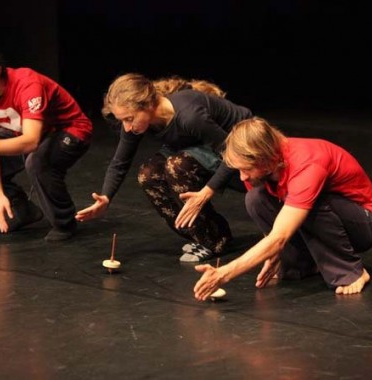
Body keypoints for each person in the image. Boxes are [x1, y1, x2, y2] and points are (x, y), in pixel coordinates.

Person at [193, 116, 372, 299]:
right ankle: (302, 264)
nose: (242, 177)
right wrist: (276, 254)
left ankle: (350, 272)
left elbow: (280, 237)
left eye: (246, 169)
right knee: (255, 198)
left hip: (365, 222)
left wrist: (224, 274)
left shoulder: (307, 164)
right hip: (334, 217)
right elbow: (275, 229)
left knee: (311, 203)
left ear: (266, 159)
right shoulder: (263, 167)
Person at [75, 73, 253, 262]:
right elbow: (120, 161)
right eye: (123, 121)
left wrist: (206, 192)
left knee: (177, 167)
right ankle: (204, 235)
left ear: (147, 105)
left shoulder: (189, 116)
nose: (126, 127)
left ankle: (214, 241)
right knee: (149, 175)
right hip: (197, 146)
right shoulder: (139, 122)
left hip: (243, 149)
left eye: (129, 119)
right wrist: (106, 197)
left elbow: (232, 153)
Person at [0, 40, 92, 242]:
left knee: (36, 160)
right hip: (26, 135)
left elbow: (31, 142)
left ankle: (64, 222)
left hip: (70, 130)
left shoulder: (27, 84)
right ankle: (21, 210)